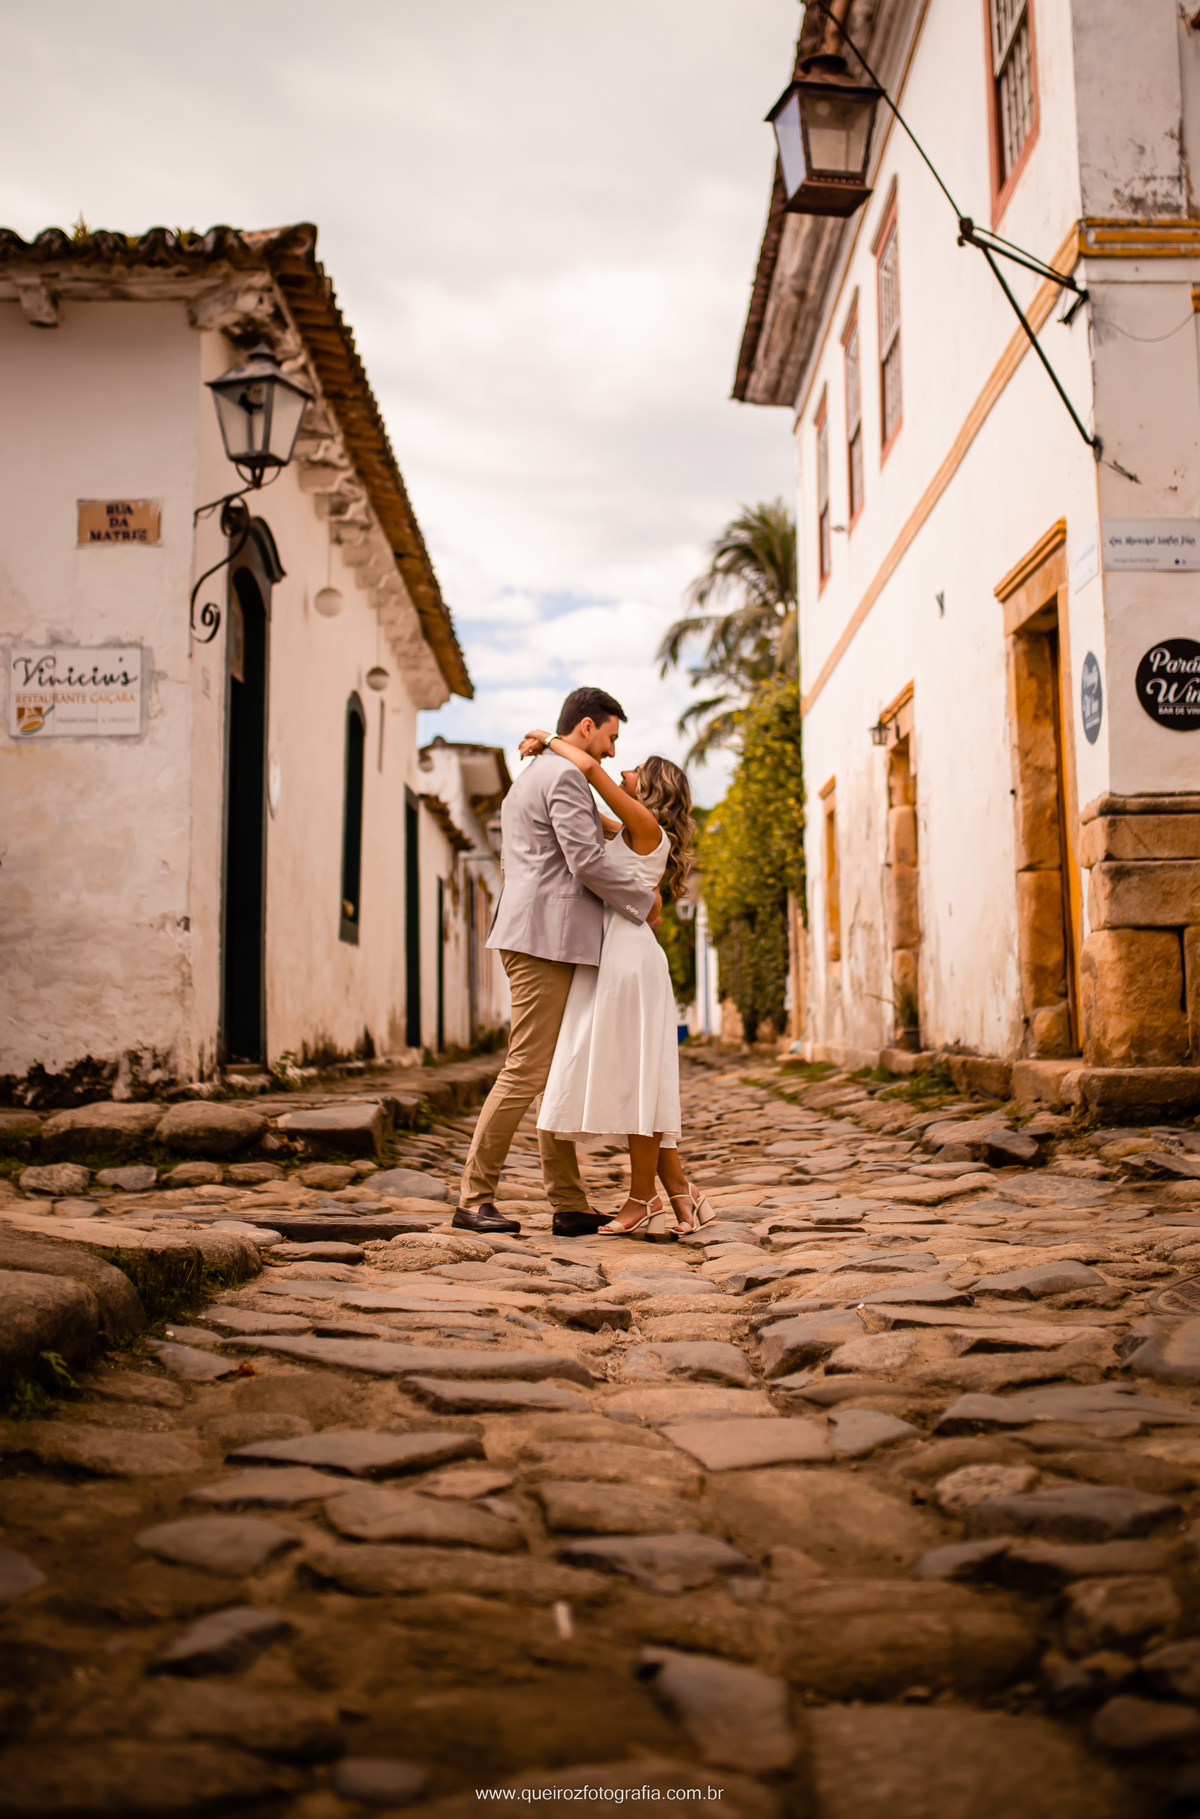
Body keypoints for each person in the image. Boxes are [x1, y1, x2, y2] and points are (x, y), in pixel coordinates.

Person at [454, 687, 659, 1238]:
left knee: (553, 1075)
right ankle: (474, 1199)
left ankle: (568, 1203)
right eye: (612, 737)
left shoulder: (535, 776)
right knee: (526, 1070)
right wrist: (645, 900)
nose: (614, 751)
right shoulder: (564, 778)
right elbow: (586, 860)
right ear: (587, 727)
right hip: (545, 939)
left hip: (544, 935)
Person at [525, 730, 715, 1239]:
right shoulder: (635, 827)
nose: (623, 769)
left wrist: (549, 739)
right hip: (621, 956)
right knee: (642, 1079)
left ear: (649, 788)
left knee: (636, 1078)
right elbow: (588, 817)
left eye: (633, 770)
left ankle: (642, 1197)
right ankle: (677, 1193)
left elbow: (590, 775)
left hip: (628, 962)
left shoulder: (644, 822)